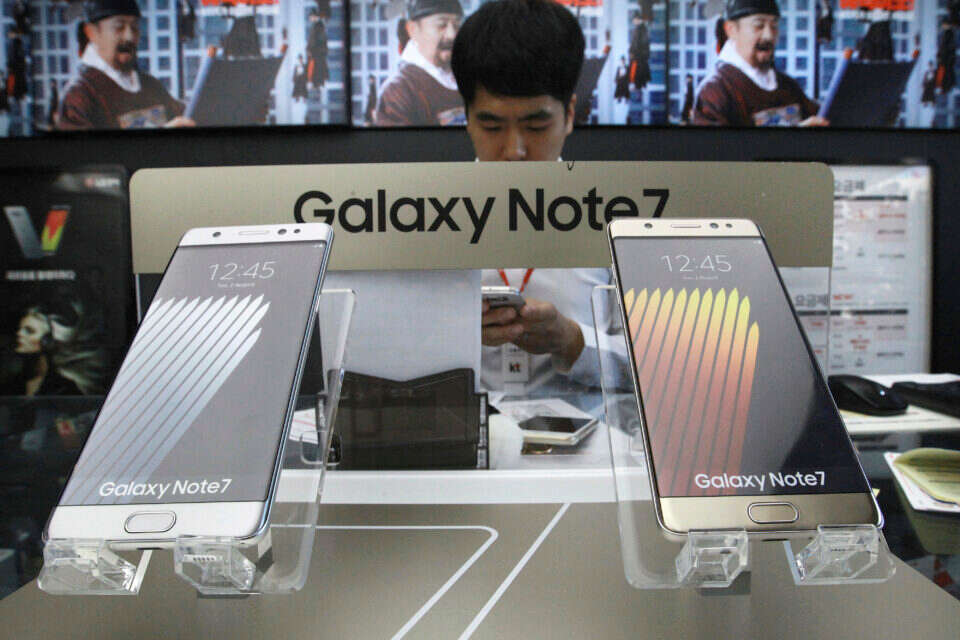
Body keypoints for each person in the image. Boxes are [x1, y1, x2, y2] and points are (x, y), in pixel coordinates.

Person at [452, 0, 609, 394]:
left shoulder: (613, 214)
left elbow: (662, 361)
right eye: (492, 126)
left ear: (569, 115)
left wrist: (573, 342)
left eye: (536, 125)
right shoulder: (411, 217)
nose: (514, 150)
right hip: (454, 427)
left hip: (590, 430)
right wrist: (447, 330)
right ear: (467, 117)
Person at [57, 0, 194, 130]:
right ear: (91, 33)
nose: (129, 37)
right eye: (119, 27)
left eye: (134, 27)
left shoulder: (151, 85)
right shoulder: (79, 96)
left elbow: (183, 115)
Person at [693, 0, 826, 127]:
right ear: (731, 30)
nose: (769, 36)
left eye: (774, 26)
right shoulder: (715, 91)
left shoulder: (788, 86)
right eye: (759, 26)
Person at [376, 0, 465, 126]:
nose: (452, 35)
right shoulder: (398, 91)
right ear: (412, 29)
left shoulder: (467, 78)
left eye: (457, 25)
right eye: (441, 25)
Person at [2, 307, 83, 396]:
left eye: (29, 331)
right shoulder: (10, 384)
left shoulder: (64, 388)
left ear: (47, 341)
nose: (19, 333)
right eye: (19, 329)